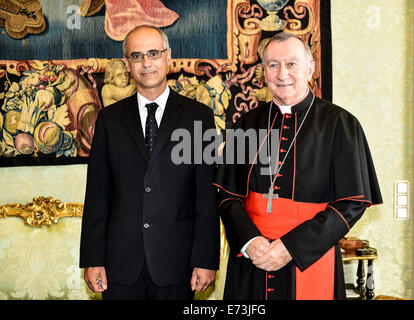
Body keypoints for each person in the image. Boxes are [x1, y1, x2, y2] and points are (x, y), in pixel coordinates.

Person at [214, 32, 382, 300]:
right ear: (263, 71)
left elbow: (351, 203)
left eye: (291, 64)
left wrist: (291, 247)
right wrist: (249, 241)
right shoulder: (246, 124)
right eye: (273, 65)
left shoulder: (341, 124)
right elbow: (228, 195)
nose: (282, 74)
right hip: (252, 259)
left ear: (310, 68)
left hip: (311, 256)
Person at [79, 25, 219, 300]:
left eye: (153, 53)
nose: (146, 63)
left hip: (177, 265)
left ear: (169, 57)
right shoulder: (109, 119)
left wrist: (206, 259)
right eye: (137, 56)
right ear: (128, 65)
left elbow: (205, 195)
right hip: (120, 265)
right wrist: (93, 258)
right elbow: (97, 194)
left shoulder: (198, 118)